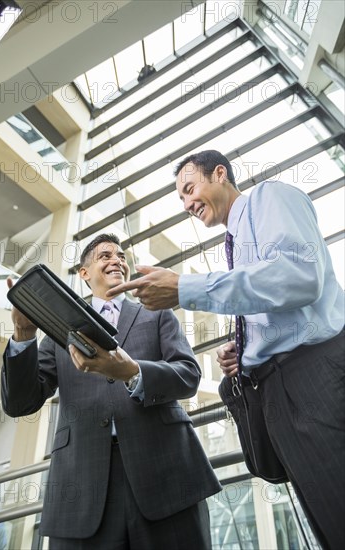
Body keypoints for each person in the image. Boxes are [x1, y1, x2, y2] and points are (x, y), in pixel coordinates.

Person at [107, 150, 345, 550]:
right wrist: (248, 348)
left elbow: (299, 277)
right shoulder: (237, 242)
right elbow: (278, 299)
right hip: (283, 391)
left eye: (189, 189)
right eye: (181, 200)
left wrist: (184, 288)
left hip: (313, 380)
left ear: (220, 173)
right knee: (327, 518)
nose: (186, 204)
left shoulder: (269, 197)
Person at [1, 233, 222, 550]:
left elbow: (188, 376)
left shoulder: (157, 313)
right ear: (84, 273)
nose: (117, 260)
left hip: (166, 475)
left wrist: (133, 373)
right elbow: (21, 403)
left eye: (121, 256)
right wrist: (23, 335)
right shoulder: (59, 329)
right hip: (82, 486)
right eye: (105, 256)